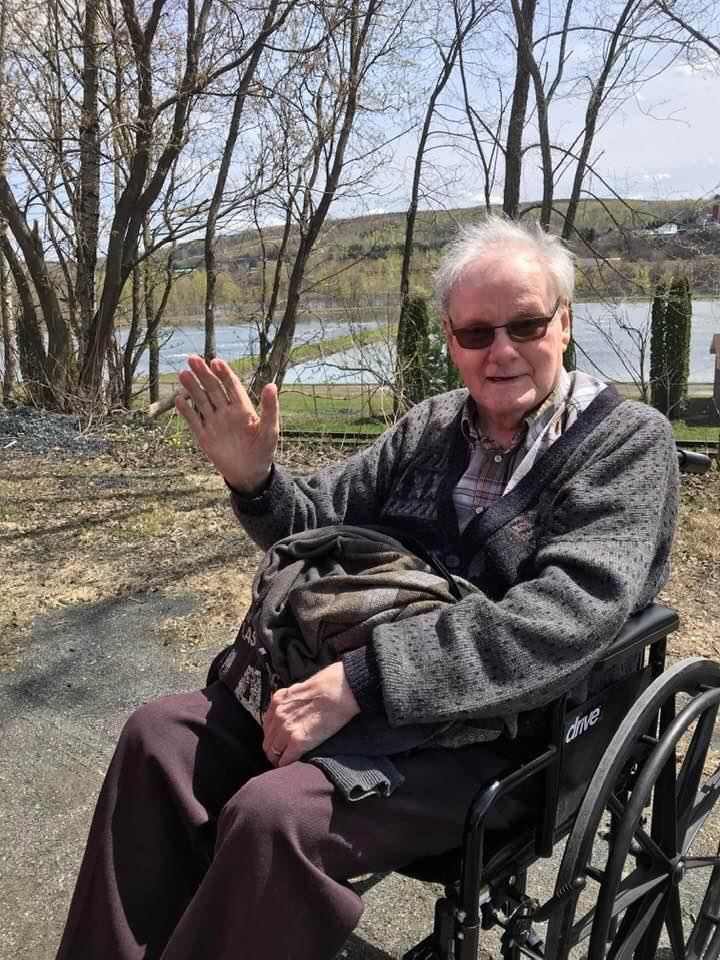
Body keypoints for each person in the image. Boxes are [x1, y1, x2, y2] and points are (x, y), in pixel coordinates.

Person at [57, 217, 678, 960]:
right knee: (157, 738)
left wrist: (364, 681)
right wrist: (254, 478)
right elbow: (320, 521)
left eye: (525, 324)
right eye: (477, 333)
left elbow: (562, 617)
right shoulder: (432, 427)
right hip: (356, 697)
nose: (502, 350)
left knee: (273, 817)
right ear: (450, 339)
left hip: (504, 736)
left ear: (564, 323)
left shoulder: (628, 444)